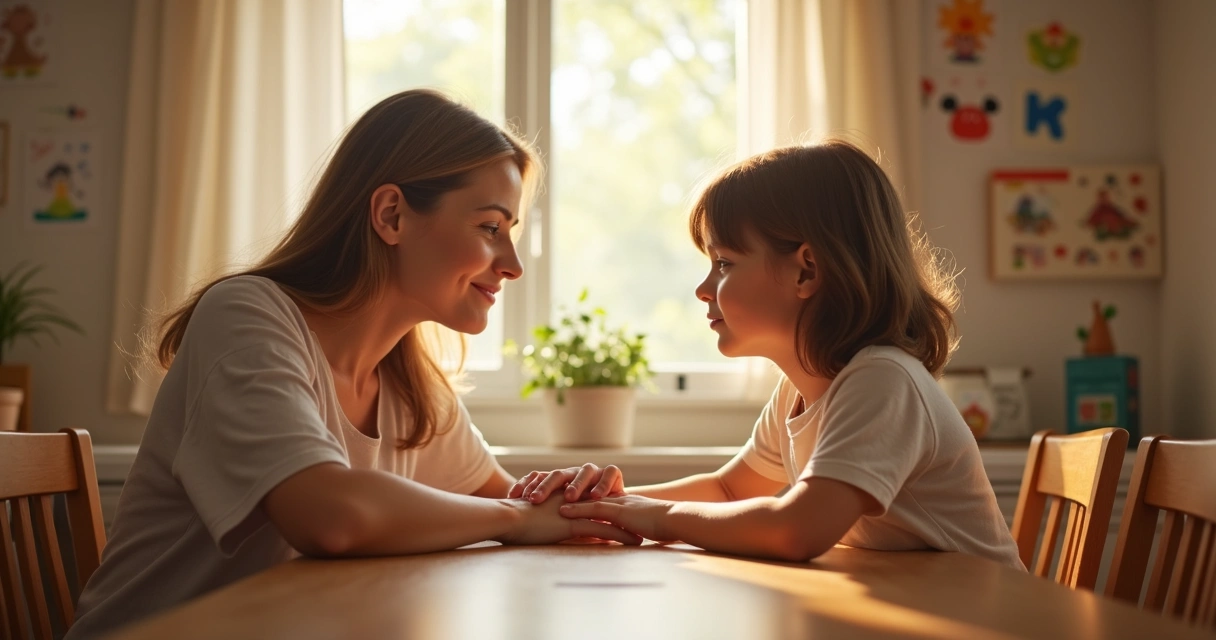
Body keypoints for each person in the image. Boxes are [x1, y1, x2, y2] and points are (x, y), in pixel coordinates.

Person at [68, 89, 639, 639]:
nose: (511, 264)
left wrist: (561, 501)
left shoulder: (410, 378)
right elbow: (328, 516)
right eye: (490, 227)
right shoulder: (247, 314)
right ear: (391, 215)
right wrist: (520, 519)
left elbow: (503, 502)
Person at [512, 140, 1023, 569]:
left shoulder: (884, 381)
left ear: (806, 270)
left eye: (724, 263)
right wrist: (612, 507)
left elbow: (796, 530)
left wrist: (654, 518)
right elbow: (732, 490)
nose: (703, 289)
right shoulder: (801, 391)